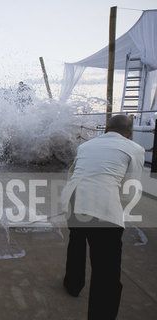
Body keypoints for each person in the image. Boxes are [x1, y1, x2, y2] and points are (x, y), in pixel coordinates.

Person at [61, 115, 145, 319]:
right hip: (103, 207)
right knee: (106, 273)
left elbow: (72, 173)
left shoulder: (87, 145)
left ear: (106, 129)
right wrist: (116, 209)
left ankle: (73, 284)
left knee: (77, 242)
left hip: (73, 199)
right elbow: (130, 189)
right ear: (130, 133)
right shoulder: (135, 148)